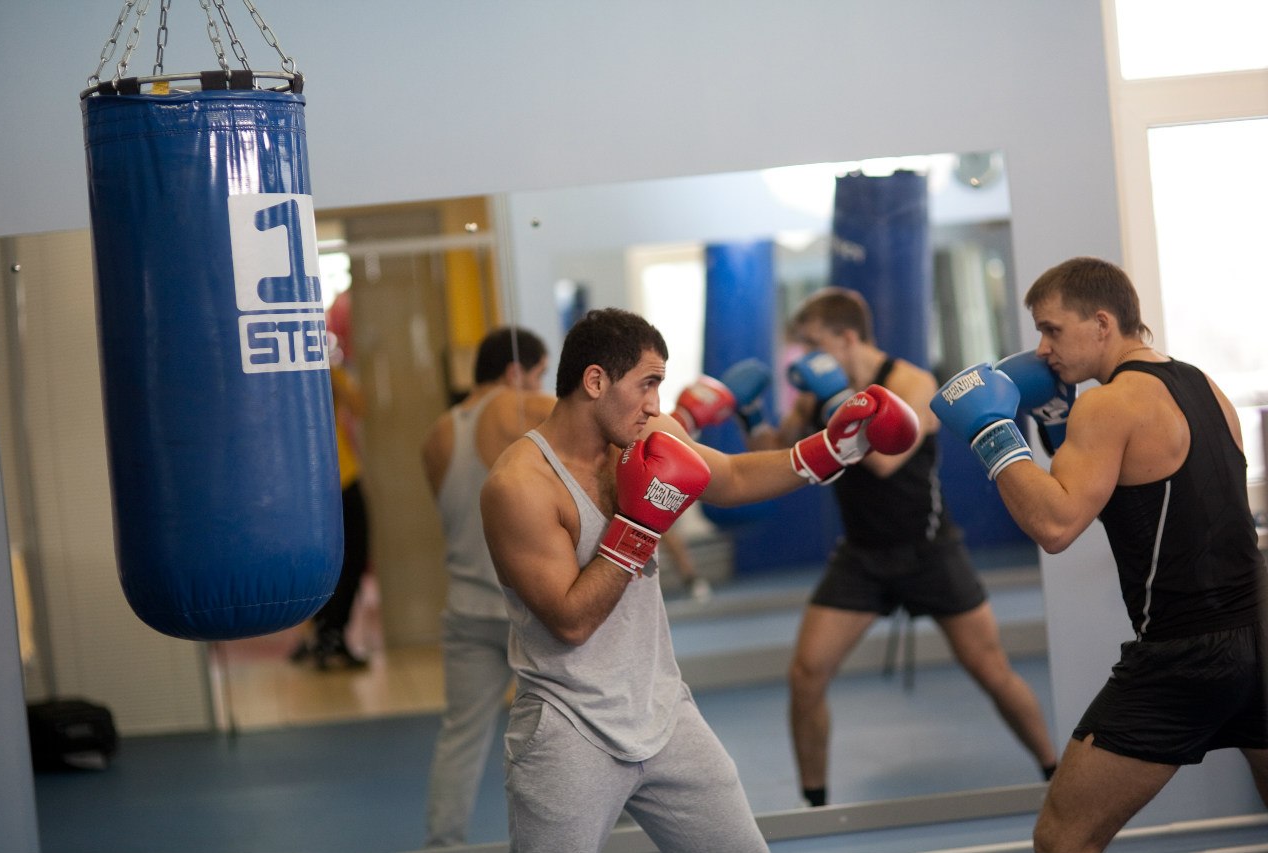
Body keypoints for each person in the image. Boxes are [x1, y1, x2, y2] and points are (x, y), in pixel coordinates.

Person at [479, 307, 920, 852]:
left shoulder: (644, 434)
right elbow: (571, 622)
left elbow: (730, 476)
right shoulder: (520, 486)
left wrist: (832, 450)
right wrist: (637, 526)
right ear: (595, 381)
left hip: (664, 713)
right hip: (569, 729)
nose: (656, 406)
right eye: (647, 385)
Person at [931, 257, 1267, 853]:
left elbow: (1055, 525)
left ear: (1102, 323)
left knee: (1063, 838)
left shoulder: (1107, 405)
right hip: (1260, 625)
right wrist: (1057, 426)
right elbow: (1133, 492)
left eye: (1052, 329)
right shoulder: (1203, 384)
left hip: (1186, 648)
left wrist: (991, 431)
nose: (1041, 350)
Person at [739, 286, 1058, 808]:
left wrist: (833, 401)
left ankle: (1054, 770)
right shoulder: (814, 391)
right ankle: (815, 806)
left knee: (990, 669)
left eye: (815, 344)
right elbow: (773, 455)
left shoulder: (912, 381)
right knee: (806, 672)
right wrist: (751, 416)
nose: (808, 360)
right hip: (862, 554)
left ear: (847, 337)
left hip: (929, 549)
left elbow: (887, 458)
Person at [420, 326, 555, 848]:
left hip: (465, 607)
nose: (539, 387)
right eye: (539, 374)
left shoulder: (436, 435)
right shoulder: (512, 406)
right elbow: (594, 419)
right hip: (527, 606)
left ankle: (443, 843)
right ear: (515, 372)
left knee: (461, 736)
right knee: (581, 724)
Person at [290, 352, 372, 670]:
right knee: (320, 567)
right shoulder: (286, 378)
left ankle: (331, 635)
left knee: (354, 559)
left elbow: (359, 407)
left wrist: (332, 371)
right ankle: (323, 636)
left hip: (344, 477)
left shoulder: (329, 370)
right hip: (312, 486)